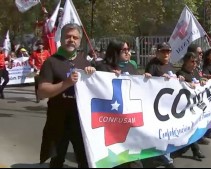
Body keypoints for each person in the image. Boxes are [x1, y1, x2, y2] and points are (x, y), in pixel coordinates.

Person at [38, 23, 96, 168]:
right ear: (61, 38)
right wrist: (67, 83)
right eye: (68, 37)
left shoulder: (85, 62)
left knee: (85, 160)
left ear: (80, 41)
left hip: (81, 121)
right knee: (57, 160)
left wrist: (94, 75)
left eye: (75, 37)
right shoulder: (51, 62)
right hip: (58, 120)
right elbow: (42, 91)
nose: (71, 40)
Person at [94, 40, 143, 168]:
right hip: (111, 119)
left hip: (128, 118)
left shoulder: (131, 67)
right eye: (124, 50)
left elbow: (138, 87)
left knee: (134, 159)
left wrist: (146, 79)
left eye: (129, 49)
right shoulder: (102, 67)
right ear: (115, 51)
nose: (128, 52)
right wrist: (92, 72)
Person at [144, 42, 183, 168]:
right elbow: (147, 81)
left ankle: (164, 156)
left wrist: (179, 79)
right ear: (157, 53)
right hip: (158, 108)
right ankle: (167, 160)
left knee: (168, 133)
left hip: (170, 107)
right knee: (162, 133)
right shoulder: (153, 65)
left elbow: (175, 81)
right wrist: (157, 78)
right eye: (163, 51)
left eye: (168, 51)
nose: (166, 54)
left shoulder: (170, 65)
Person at [175, 52, 206, 161]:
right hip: (185, 107)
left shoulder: (195, 72)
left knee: (193, 128)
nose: (194, 64)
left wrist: (201, 81)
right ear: (186, 61)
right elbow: (179, 85)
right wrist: (187, 83)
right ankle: (195, 150)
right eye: (192, 61)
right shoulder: (180, 73)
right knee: (189, 128)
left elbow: (199, 82)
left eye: (196, 62)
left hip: (195, 105)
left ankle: (193, 149)